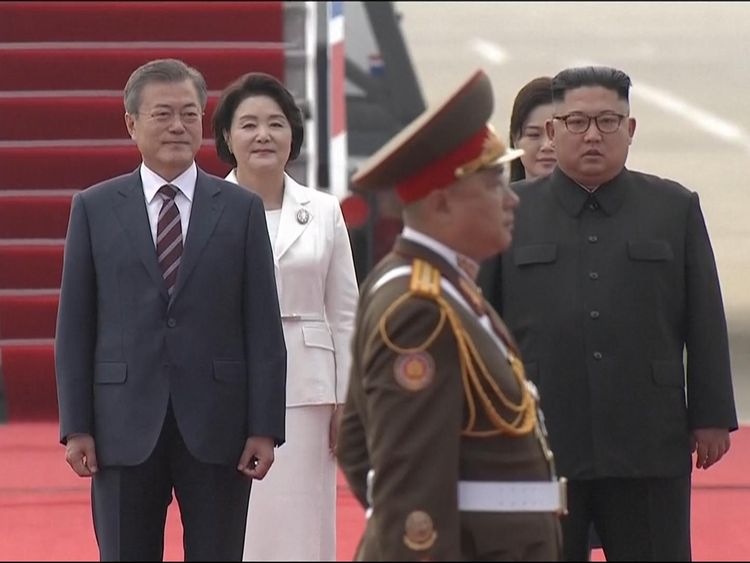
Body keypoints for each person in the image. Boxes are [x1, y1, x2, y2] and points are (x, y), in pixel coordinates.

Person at [479, 65, 738, 561]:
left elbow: (704, 320)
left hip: (647, 438)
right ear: (553, 131)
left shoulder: (673, 207)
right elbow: (482, 325)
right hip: (539, 440)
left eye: (608, 121)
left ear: (631, 129)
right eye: (576, 122)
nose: (593, 135)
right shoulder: (507, 208)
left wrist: (711, 417)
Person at [54, 58, 287, 561]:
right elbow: (74, 326)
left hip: (218, 425)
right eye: (163, 114)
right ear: (131, 123)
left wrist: (265, 426)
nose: (179, 126)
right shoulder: (94, 208)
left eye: (189, 113)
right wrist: (76, 426)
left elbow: (263, 325)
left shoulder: (241, 207)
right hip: (122, 426)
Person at [337, 69, 565, 561]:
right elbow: (409, 490)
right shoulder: (419, 307)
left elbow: (359, 449)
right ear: (441, 203)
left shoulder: (443, 286)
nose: (510, 200)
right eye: (492, 186)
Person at [212, 72, 359, 561]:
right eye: (248, 124)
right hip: (229, 383)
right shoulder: (205, 210)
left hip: (307, 387)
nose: (263, 135)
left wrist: (348, 397)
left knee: (302, 520)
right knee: (237, 520)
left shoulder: (322, 211)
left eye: (275, 124)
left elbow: (344, 310)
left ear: (292, 134)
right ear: (227, 137)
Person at [508, 76, 556, 182]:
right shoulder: (496, 198)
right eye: (534, 134)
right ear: (515, 141)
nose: (547, 145)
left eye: (555, 134)